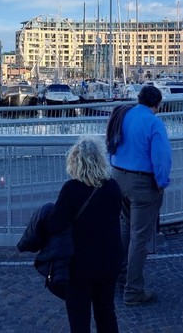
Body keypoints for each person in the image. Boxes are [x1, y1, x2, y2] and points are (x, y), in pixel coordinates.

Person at [44, 137, 123, 333]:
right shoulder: (112, 187)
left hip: (79, 266)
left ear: (75, 162)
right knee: (106, 313)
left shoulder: (71, 190)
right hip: (109, 261)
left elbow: (55, 225)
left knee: (79, 320)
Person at [109, 84, 171, 306]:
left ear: (139, 99)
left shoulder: (124, 114)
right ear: (158, 104)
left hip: (118, 177)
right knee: (140, 237)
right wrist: (162, 182)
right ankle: (133, 291)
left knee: (125, 229)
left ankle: (120, 277)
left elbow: (112, 144)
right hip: (142, 183)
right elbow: (161, 157)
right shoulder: (154, 122)